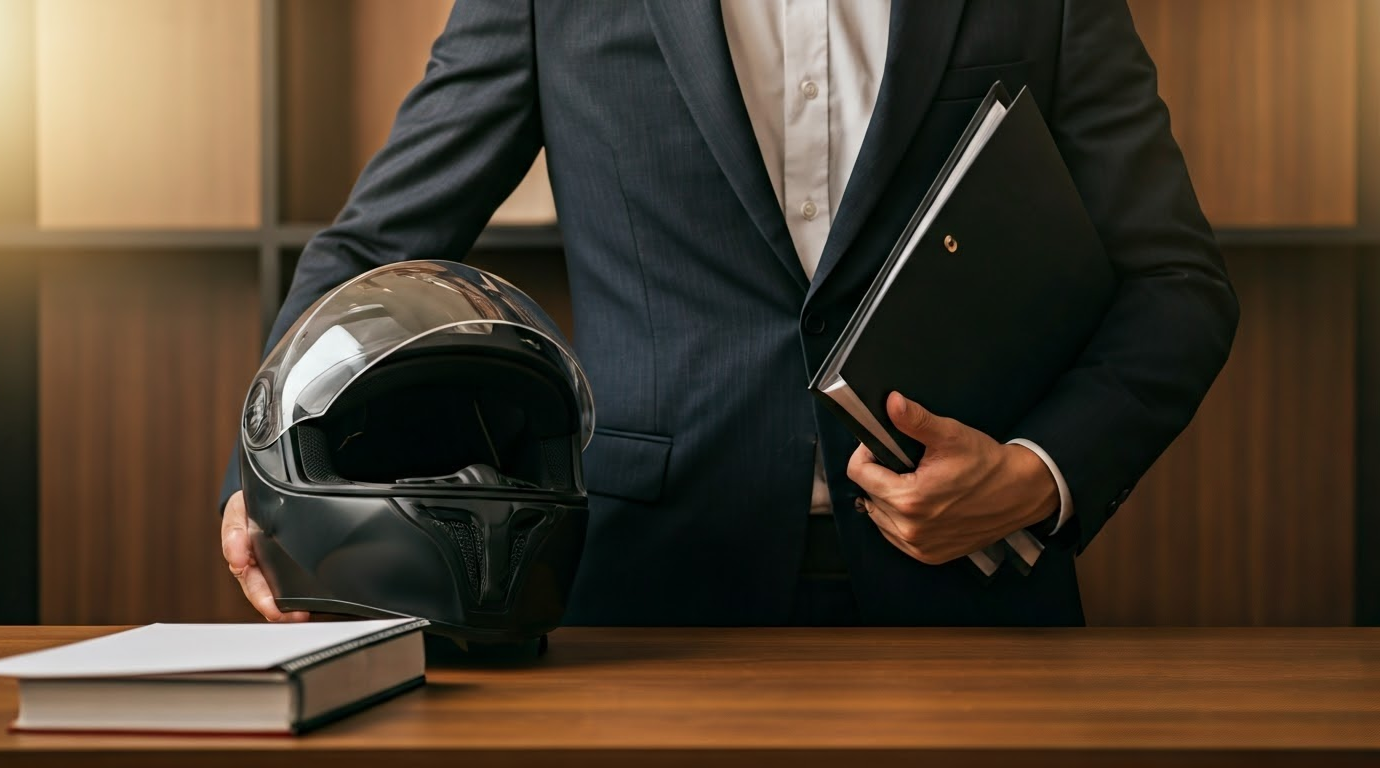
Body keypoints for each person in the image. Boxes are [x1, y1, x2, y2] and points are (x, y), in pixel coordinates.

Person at [221, 1, 1238, 627]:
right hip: (646, 606)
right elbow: (371, 250)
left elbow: (1174, 284)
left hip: (972, 602)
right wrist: (263, 481)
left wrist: (1033, 474)